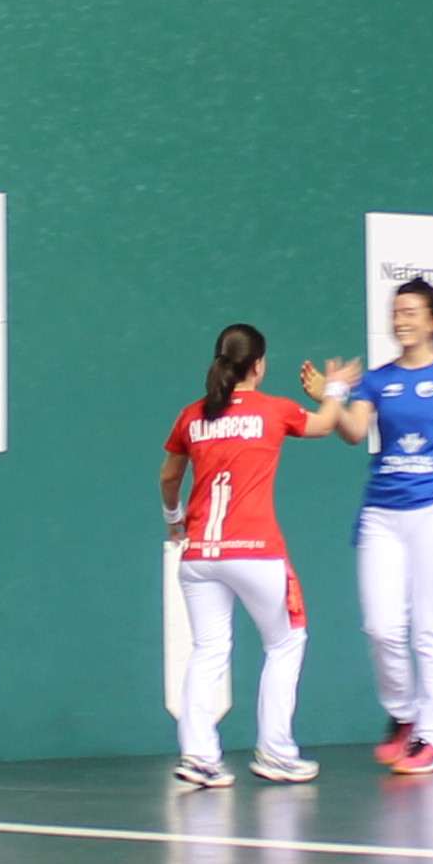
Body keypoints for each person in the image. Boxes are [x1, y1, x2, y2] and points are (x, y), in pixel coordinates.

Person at [307, 276, 433, 776]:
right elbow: (354, 433)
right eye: (396, 312)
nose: (401, 320)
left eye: (411, 312)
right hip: (381, 515)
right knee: (380, 626)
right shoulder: (376, 380)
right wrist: (330, 396)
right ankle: (403, 715)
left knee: (429, 628)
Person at [160, 323, 335, 789]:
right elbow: (324, 424)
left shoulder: (192, 416)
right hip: (256, 553)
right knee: (285, 642)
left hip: (199, 556)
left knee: (209, 650)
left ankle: (199, 756)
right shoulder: (274, 410)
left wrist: (173, 517)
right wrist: (334, 389)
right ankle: (276, 751)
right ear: (258, 366)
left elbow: (168, 477)